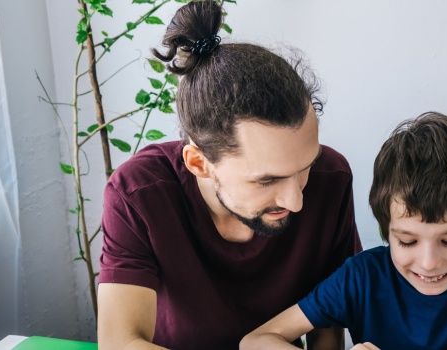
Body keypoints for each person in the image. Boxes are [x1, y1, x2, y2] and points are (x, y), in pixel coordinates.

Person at [96, 1, 362, 349]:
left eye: (305, 167)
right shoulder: (138, 192)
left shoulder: (332, 179)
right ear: (198, 162)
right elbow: (121, 342)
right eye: (267, 180)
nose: (296, 201)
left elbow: (328, 321)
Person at [241, 112, 447, 350]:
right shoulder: (361, 278)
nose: (428, 262)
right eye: (407, 241)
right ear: (386, 227)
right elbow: (255, 341)